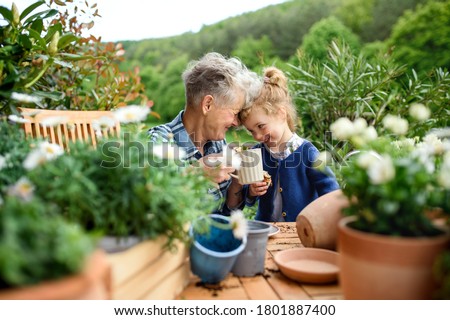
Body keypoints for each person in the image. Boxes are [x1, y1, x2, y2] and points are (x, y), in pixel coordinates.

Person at [148, 52, 262, 214]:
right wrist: (196, 173)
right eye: (234, 113)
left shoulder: (217, 144)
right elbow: (149, 200)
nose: (236, 123)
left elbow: (227, 213)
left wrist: (238, 181)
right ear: (207, 104)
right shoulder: (160, 139)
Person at [226, 66, 340, 222]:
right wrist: (252, 191)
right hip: (266, 229)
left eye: (261, 126)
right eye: (251, 131)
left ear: (281, 114)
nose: (258, 136)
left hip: (298, 231)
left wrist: (321, 221)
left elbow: (330, 191)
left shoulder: (307, 152)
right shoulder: (259, 153)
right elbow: (248, 198)